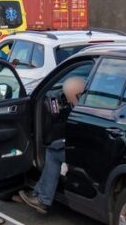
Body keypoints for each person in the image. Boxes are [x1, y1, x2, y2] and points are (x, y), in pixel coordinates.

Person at [18, 77, 86, 214]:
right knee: (56, 146)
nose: (67, 100)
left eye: (68, 96)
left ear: (74, 93)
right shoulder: (94, 100)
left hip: (84, 149)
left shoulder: (80, 109)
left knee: (53, 152)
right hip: (91, 146)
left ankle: (43, 199)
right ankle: (37, 193)